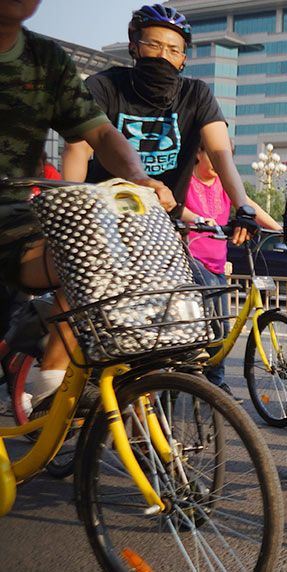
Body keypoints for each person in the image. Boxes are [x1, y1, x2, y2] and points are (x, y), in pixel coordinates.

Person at [0, 0, 175, 410]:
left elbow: (98, 133)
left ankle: (52, 377)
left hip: (16, 225)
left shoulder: (46, 61)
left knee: (95, 260)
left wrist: (140, 178)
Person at [61, 4, 256, 247]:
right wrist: (69, 214)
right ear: (134, 46)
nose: (163, 55)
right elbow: (78, 149)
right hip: (103, 224)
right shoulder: (104, 86)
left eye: (174, 49)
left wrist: (243, 208)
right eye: (153, 45)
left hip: (163, 225)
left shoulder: (195, 94)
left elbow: (219, 152)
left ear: (183, 59)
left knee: (179, 283)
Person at [185, 144, 280, 397]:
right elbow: (173, 205)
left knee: (222, 327)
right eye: (212, 156)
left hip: (217, 263)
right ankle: (209, 382)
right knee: (212, 323)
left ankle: (214, 380)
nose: (218, 162)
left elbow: (248, 205)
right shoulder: (186, 180)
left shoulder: (224, 185)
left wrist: (279, 229)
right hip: (191, 258)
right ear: (198, 153)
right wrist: (196, 218)